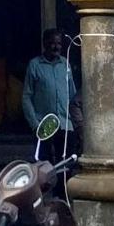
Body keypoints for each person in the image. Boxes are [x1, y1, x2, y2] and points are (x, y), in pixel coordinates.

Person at [21, 28, 81, 162]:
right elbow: (26, 97)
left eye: (59, 43)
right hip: (44, 125)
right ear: (45, 43)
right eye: (52, 43)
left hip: (65, 124)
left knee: (66, 166)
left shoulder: (65, 64)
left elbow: (72, 94)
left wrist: (76, 123)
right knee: (45, 166)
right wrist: (34, 124)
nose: (56, 47)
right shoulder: (35, 65)